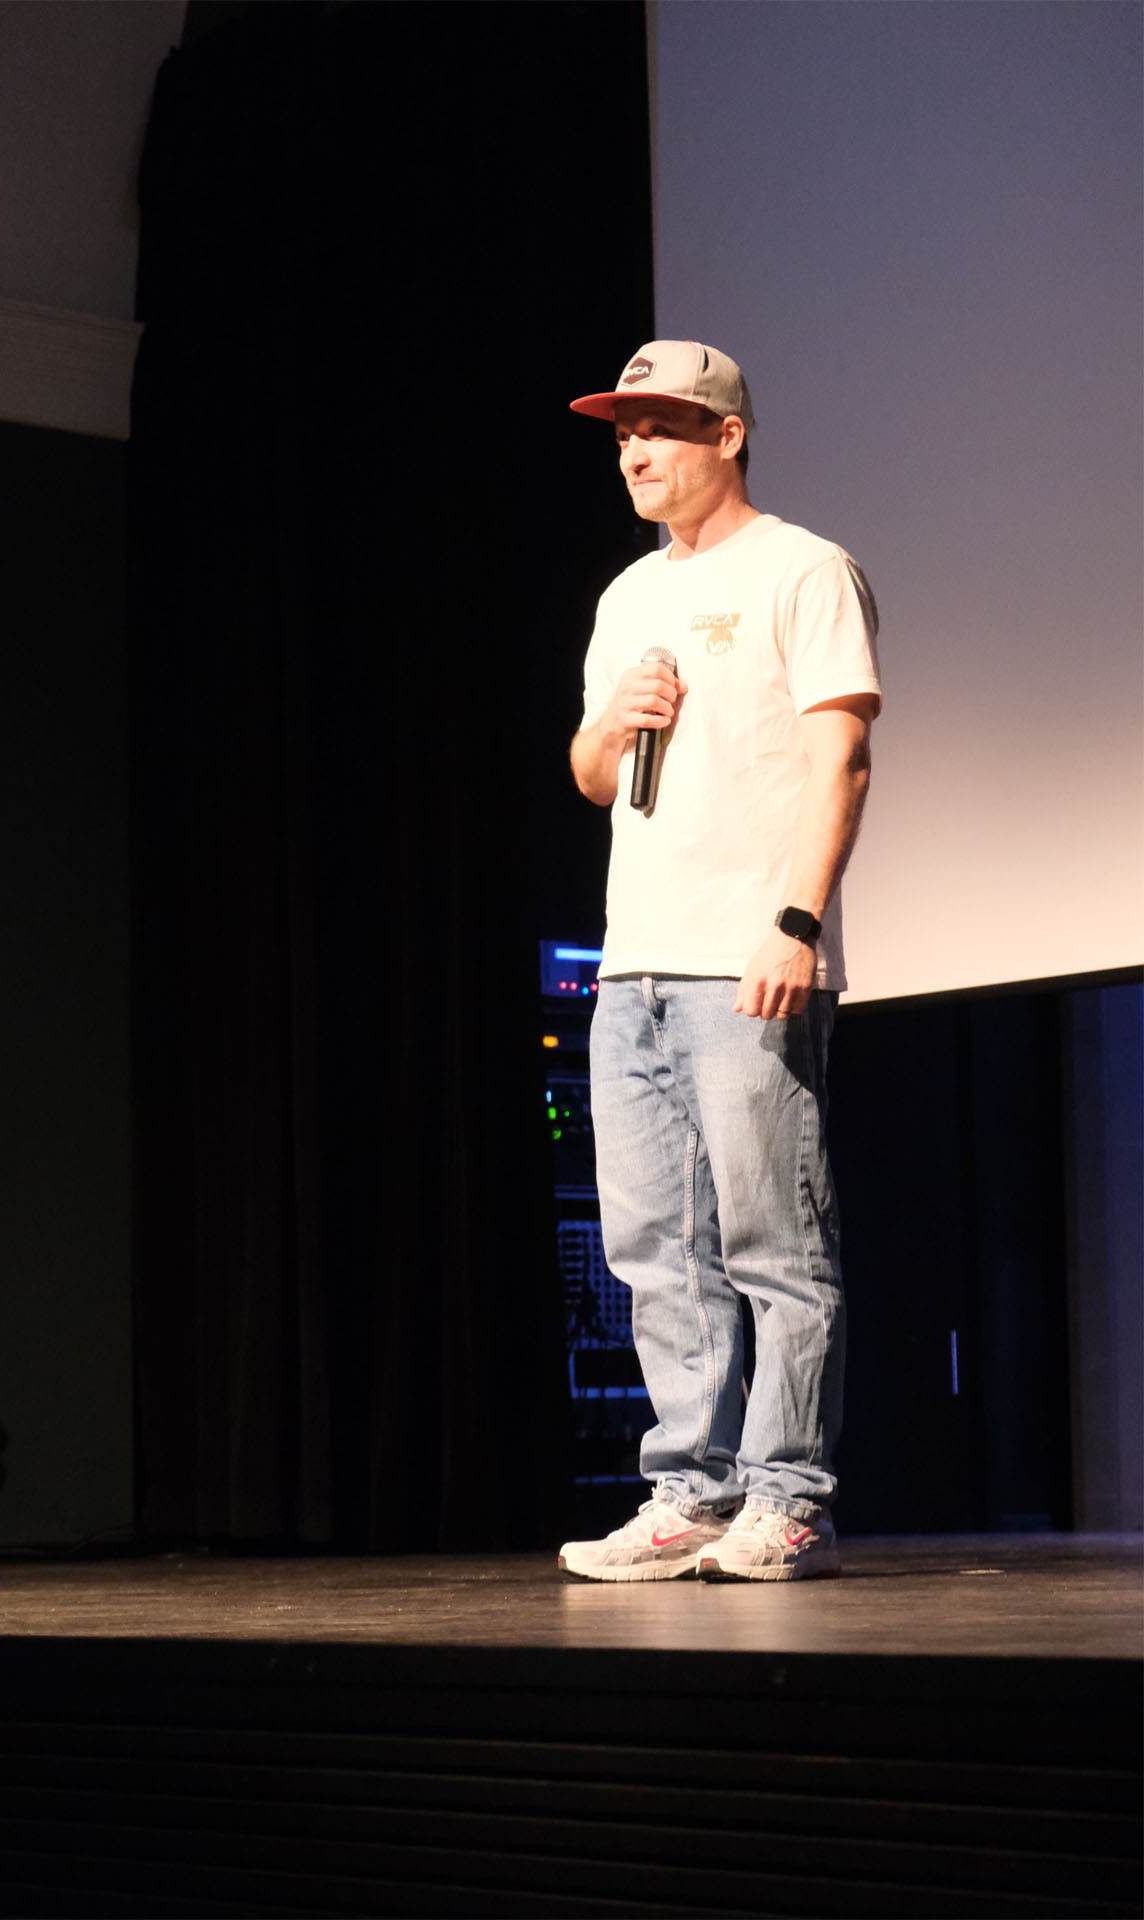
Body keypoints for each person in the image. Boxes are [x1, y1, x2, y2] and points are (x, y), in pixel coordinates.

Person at [559, 339, 881, 1583]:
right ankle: (689, 1494)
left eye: (659, 427)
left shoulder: (803, 569)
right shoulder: (624, 598)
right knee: (653, 1250)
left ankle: (787, 1500)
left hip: (744, 957)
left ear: (727, 436)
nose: (634, 451)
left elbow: (838, 758)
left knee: (772, 1243)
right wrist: (613, 721)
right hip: (631, 964)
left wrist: (796, 922)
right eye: (621, 433)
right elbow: (592, 778)